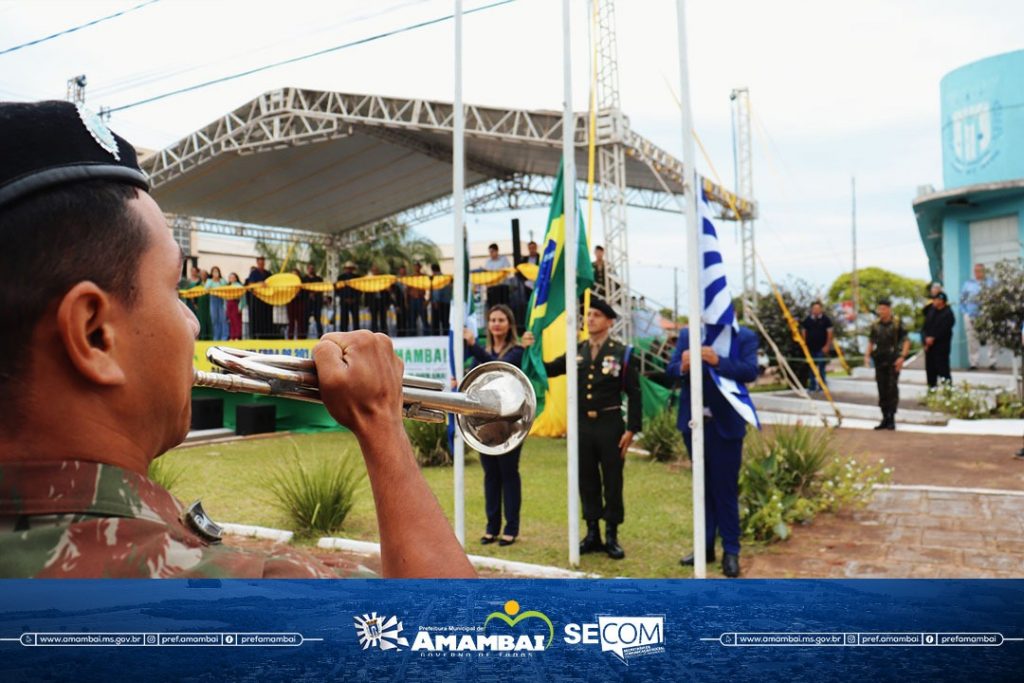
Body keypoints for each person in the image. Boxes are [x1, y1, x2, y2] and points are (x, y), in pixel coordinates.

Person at [0, 99, 475, 579]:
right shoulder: (248, 592)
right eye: (175, 287)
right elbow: (458, 634)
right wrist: (382, 425)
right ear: (94, 333)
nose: (193, 323)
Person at [522, 297, 641, 560]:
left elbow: (634, 393)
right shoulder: (578, 351)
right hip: (583, 427)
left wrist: (632, 429)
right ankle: (592, 533)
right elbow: (550, 369)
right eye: (589, 315)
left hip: (610, 425)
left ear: (609, 321)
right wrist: (531, 351)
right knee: (586, 480)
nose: (590, 319)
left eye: (597, 315)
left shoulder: (622, 353)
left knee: (612, 480)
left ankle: (611, 535)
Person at [667, 323, 759, 578]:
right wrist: (682, 366)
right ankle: (704, 546)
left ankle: (731, 550)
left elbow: (750, 371)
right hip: (694, 425)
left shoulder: (744, 336)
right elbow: (671, 371)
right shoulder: (688, 334)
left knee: (725, 490)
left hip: (726, 426)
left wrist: (718, 361)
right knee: (702, 489)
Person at [464, 305, 525, 546]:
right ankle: (492, 527)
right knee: (490, 475)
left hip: (510, 424)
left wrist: (472, 345)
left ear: (509, 324)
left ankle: (511, 528)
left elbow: (498, 368)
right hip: (485, 425)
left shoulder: (517, 351)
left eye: (501, 320)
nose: (496, 324)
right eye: (492, 320)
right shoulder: (482, 352)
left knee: (509, 474)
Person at [864, 298, 910, 430]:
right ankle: (884, 417)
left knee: (892, 388)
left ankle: (892, 417)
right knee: (881, 388)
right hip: (880, 359)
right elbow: (871, 341)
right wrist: (867, 356)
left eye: (884, 308)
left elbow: (906, 341)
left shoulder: (897, 324)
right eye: (880, 309)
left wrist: (902, 357)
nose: (881, 311)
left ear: (889, 309)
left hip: (893, 359)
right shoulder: (875, 325)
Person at [960, 263, 998, 370]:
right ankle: (974, 363)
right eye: (975, 271)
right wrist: (965, 313)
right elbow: (962, 299)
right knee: (972, 339)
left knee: (992, 337)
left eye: (979, 271)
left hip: (988, 314)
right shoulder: (968, 284)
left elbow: (996, 298)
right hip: (971, 314)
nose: (977, 273)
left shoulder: (991, 283)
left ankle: (992, 362)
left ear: (984, 271)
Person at [922, 292, 955, 388]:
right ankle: (931, 392)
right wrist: (925, 339)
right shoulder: (931, 311)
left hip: (941, 348)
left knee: (943, 371)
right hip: (929, 348)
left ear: (941, 301)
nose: (934, 301)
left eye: (936, 299)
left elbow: (945, 329)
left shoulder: (948, 313)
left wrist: (934, 337)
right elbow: (924, 328)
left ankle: (948, 393)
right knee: (930, 372)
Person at [800, 301, 833, 392]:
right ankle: (812, 386)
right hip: (810, 348)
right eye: (814, 308)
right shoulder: (808, 320)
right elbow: (804, 332)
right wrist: (804, 345)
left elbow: (830, 333)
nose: (816, 310)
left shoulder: (826, 320)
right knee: (811, 368)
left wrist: (827, 345)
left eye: (818, 308)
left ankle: (822, 387)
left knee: (821, 368)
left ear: (821, 309)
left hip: (821, 348)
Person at [244, 256, 272, 339]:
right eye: (260, 262)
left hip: (267, 300)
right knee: (256, 318)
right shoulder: (254, 273)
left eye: (263, 262)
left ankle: (266, 335)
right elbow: (250, 284)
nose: (261, 264)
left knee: (266, 317)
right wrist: (260, 284)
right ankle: (255, 335)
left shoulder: (268, 273)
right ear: (257, 263)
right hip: (256, 300)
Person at [483, 243, 512, 307]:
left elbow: (507, 271)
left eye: (492, 252)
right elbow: (486, 273)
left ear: (497, 251)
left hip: (502, 287)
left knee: (504, 306)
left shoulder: (504, 259)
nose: (490, 254)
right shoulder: (488, 262)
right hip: (492, 288)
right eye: (490, 252)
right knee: (493, 306)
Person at [205, 266, 229, 341]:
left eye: (217, 271)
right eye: (214, 271)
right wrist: (213, 280)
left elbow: (226, 289)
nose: (215, 273)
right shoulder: (209, 281)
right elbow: (206, 289)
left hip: (222, 299)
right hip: (213, 299)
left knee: (223, 318)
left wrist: (219, 281)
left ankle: (224, 336)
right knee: (214, 318)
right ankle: (216, 336)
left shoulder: (222, 281)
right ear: (211, 273)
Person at [365, 264, 390, 334]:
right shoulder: (369, 281)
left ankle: (384, 333)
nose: (375, 271)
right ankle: (374, 334)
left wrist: (388, 303)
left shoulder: (382, 279)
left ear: (378, 271)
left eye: (376, 270)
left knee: (383, 319)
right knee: (374, 319)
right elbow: (367, 292)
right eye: (373, 270)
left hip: (382, 301)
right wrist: (367, 304)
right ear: (372, 271)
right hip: (373, 302)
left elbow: (387, 292)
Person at [338, 261, 361, 332]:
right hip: (344, 301)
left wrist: (354, 298)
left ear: (353, 269)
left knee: (355, 318)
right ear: (344, 269)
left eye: (350, 268)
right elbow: (338, 290)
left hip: (354, 301)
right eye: (347, 268)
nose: (348, 270)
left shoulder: (357, 277)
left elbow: (360, 289)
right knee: (344, 318)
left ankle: (357, 333)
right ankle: (343, 332)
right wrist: (345, 298)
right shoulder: (340, 277)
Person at [406, 262, 428, 335]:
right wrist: (406, 301)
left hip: (421, 299)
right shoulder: (411, 277)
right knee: (412, 318)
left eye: (417, 266)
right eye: (415, 266)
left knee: (424, 317)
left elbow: (427, 288)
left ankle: (427, 333)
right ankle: (413, 334)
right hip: (412, 300)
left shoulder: (423, 277)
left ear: (420, 267)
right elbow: (407, 290)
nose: (416, 268)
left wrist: (427, 300)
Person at [430, 263, 452, 336]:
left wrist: (435, 301)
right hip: (447, 302)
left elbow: (436, 290)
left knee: (436, 323)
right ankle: (446, 335)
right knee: (445, 322)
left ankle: (436, 337)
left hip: (439, 303)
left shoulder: (437, 278)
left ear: (433, 270)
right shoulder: (445, 277)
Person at [303, 263, 324, 339]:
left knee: (318, 319)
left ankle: (320, 336)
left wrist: (314, 293)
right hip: (307, 303)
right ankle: (304, 336)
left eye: (312, 268)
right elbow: (302, 290)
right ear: (307, 269)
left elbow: (321, 288)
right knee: (305, 320)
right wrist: (309, 294)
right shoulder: (303, 279)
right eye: (310, 268)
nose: (311, 270)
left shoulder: (319, 279)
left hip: (317, 302)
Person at [285, 267, 306, 340]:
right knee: (291, 321)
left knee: (300, 321)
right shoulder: (288, 284)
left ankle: (301, 338)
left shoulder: (302, 283)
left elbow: (305, 293)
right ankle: (290, 337)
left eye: (296, 274)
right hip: (290, 303)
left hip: (299, 302)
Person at [225, 272, 245, 340]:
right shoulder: (227, 287)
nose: (231, 278)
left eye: (233, 277)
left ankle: (237, 336)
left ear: (236, 278)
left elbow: (243, 298)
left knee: (237, 320)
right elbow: (224, 298)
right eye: (230, 277)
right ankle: (232, 336)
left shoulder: (239, 286)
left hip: (236, 303)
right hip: (229, 303)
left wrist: (240, 306)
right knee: (231, 321)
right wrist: (225, 307)